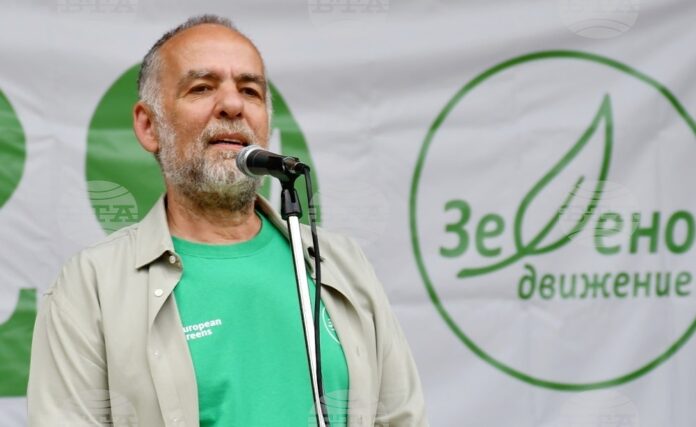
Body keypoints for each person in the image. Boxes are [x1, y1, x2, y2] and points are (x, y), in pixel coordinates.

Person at [27, 15, 427, 427]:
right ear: (149, 127)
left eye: (250, 91)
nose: (233, 105)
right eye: (202, 87)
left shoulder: (341, 263)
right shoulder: (92, 285)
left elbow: (401, 418)